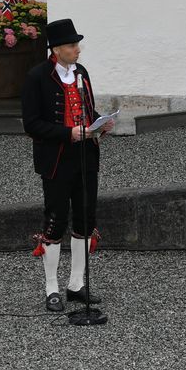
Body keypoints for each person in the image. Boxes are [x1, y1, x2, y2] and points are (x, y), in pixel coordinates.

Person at [22, 18, 114, 312]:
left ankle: (76, 284)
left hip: (86, 154)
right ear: (57, 49)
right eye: (73, 45)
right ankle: (51, 288)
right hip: (57, 158)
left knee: (86, 218)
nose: (78, 50)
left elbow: (87, 108)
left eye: (77, 45)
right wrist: (68, 133)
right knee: (55, 220)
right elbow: (32, 124)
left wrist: (100, 123)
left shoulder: (81, 73)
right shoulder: (37, 77)